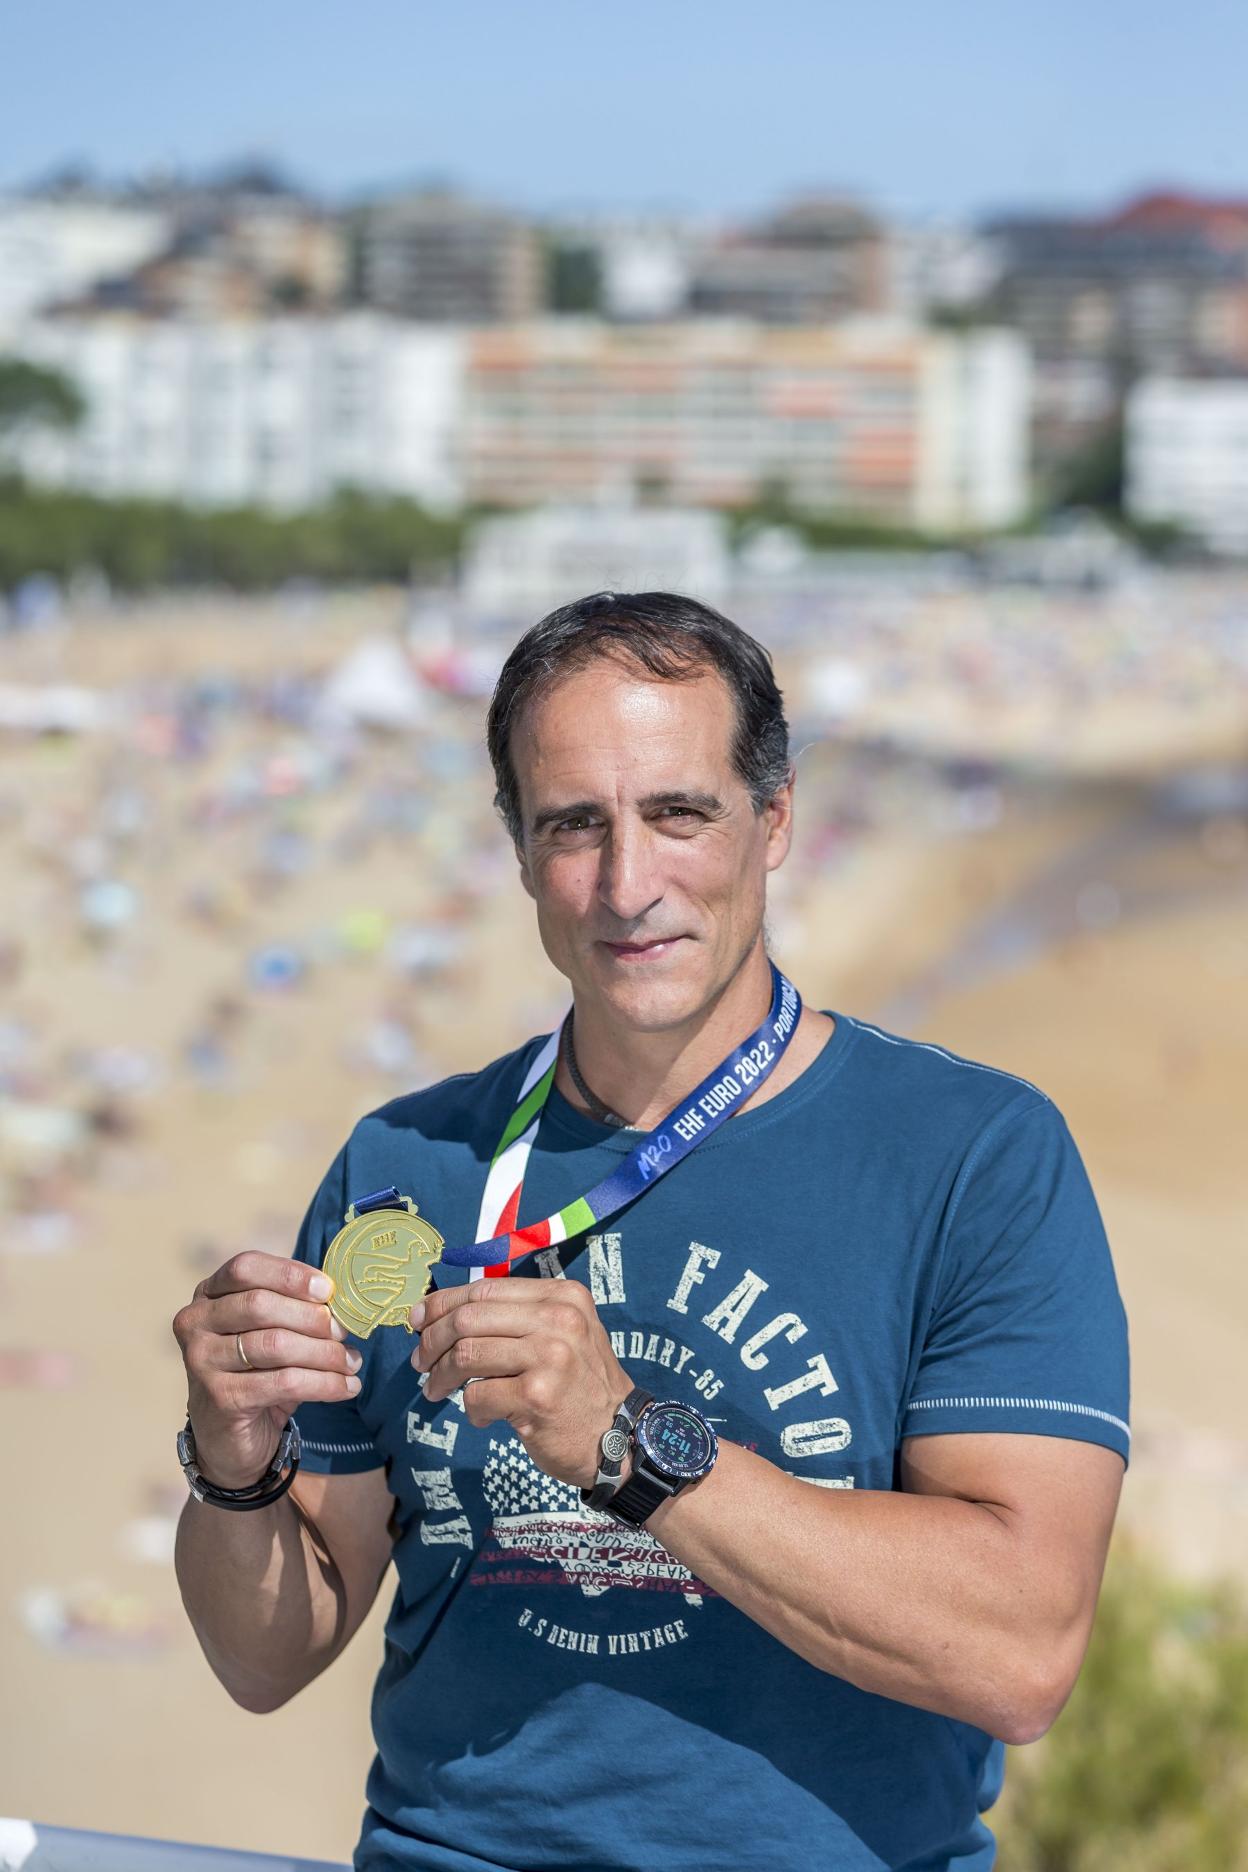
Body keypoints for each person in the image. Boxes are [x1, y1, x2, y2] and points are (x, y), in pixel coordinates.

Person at [172, 591, 1129, 1872]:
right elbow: (265, 1654)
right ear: (519, 854)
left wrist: (629, 1444)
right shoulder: (406, 1164)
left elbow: (1021, 1652)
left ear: (773, 819)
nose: (629, 885)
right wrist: (234, 1463)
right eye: (575, 826)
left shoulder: (972, 1154)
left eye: (680, 812)